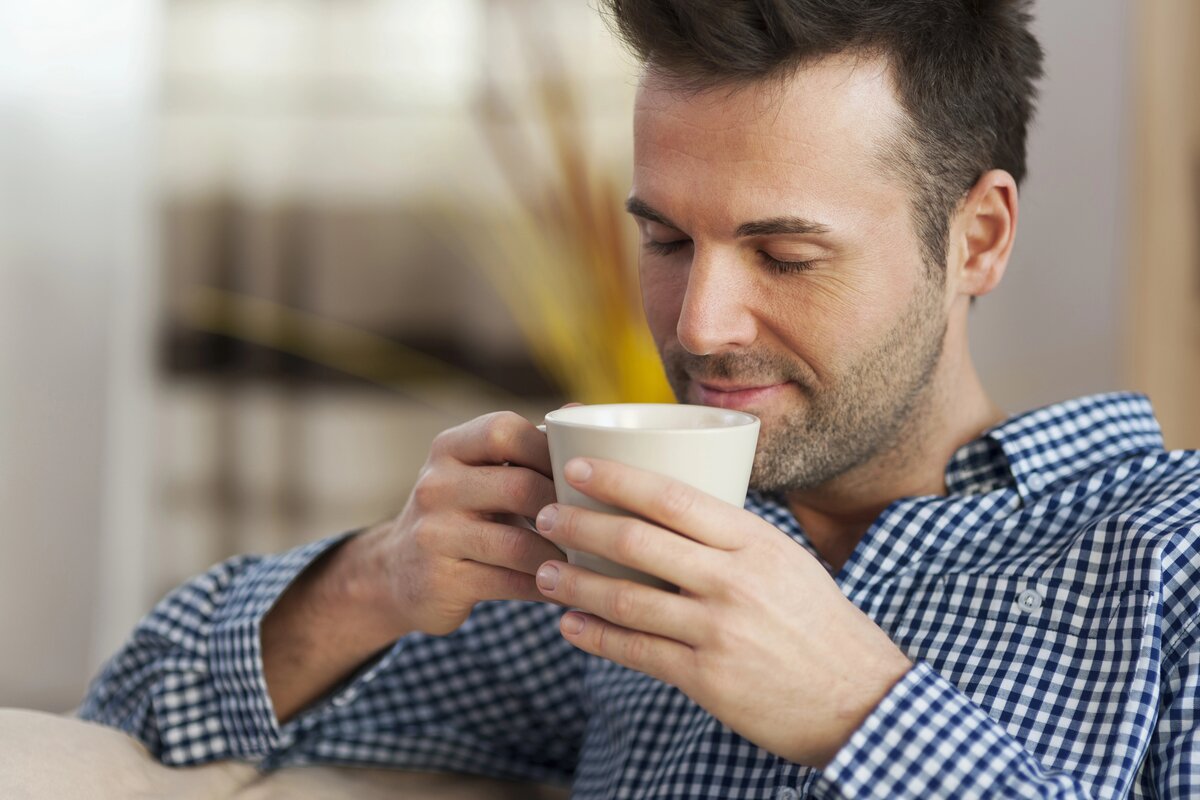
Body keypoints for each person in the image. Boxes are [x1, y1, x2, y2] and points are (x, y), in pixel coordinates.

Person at [74, 1, 1199, 798]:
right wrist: (385, 575)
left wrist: (862, 713)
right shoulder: (634, 566)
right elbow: (133, 718)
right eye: (665, 238)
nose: (699, 325)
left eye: (787, 254)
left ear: (979, 237)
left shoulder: (1168, 551)